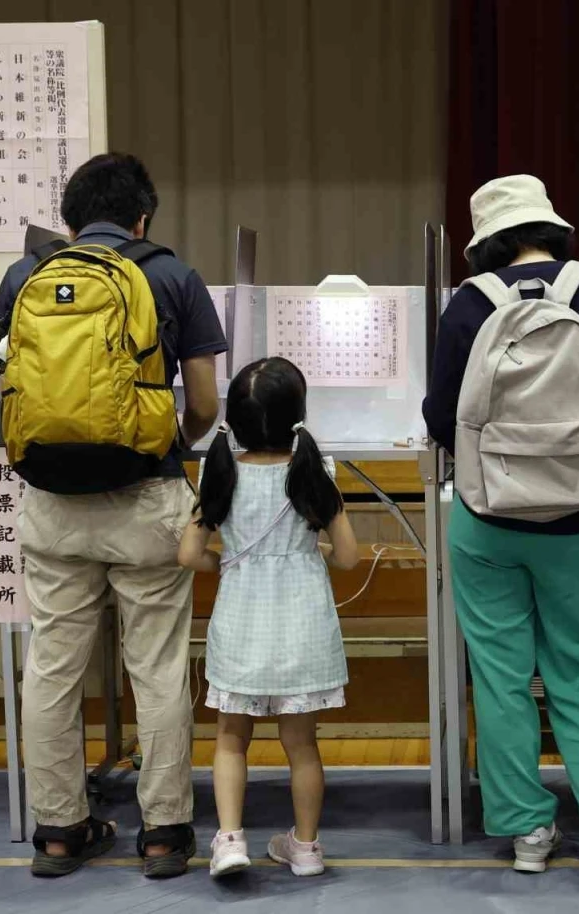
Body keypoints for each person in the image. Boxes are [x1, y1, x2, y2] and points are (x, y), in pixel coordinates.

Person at [0, 153, 225, 878]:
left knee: (52, 668)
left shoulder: (24, 278)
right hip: (147, 500)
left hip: (53, 505)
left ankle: (59, 831)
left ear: (69, 219)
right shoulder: (173, 276)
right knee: (154, 669)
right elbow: (208, 405)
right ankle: (164, 833)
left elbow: (7, 386)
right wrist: (163, 446)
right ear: (143, 216)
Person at [421, 175, 579, 880]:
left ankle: (527, 833)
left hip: (490, 518)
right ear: (551, 228)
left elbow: (441, 419)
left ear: (486, 241)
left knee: (500, 677)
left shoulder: (468, 305)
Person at [178, 357, 358, 879]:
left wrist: (231, 561)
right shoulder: (316, 471)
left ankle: (230, 840)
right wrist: (304, 556)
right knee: (302, 745)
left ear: (233, 418)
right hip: (304, 624)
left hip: (240, 620)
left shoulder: (219, 469)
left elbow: (188, 554)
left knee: (232, 737)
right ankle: (305, 848)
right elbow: (347, 556)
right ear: (297, 416)